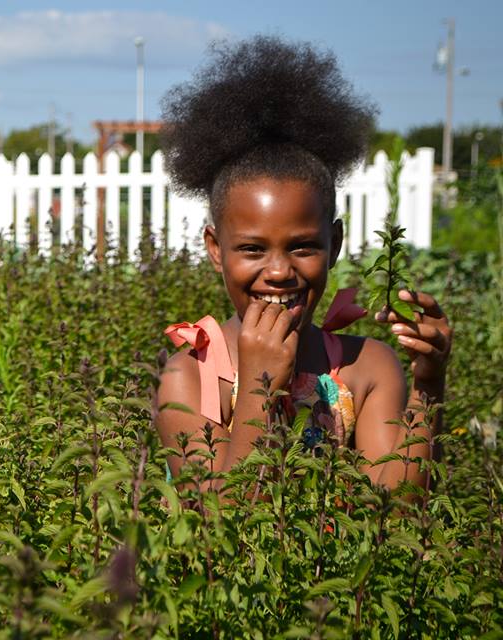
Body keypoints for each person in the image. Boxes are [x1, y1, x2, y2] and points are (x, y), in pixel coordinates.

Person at [154, 37, 452, 491]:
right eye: (252, 249)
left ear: (335, 244)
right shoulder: (190, 378)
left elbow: (402, 509)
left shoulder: (367, 367)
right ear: (216, 248)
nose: (278, 271)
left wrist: (428, 385)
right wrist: (260, 383)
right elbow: (220, 524)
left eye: (303, 247)